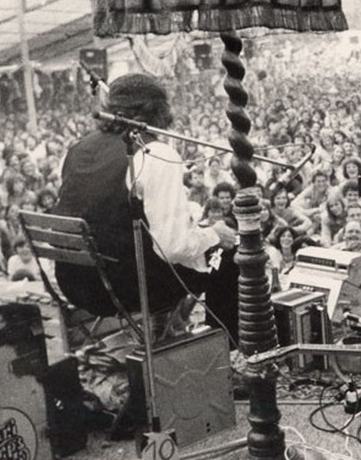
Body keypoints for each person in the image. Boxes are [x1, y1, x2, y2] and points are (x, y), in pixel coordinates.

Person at [52, 72, 240, 343]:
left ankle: (175, 330)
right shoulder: (155, 154)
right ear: (159, 111)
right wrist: (215, 235)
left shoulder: (77, 149)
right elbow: (173, 247)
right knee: (227, 256)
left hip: (75, 281)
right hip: (129, 287)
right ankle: (227, 352)